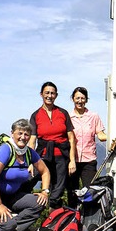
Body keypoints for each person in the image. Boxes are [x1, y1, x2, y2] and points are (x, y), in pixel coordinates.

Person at [29, 82, 77, 210]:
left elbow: (71, 138)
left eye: (52, 93)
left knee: (58, 189)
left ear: (56, 95)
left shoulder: (62, 113)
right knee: (29, 180)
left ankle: (53, 217)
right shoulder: (36, 115)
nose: (50, 96)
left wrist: (72, 160)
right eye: (47, 93)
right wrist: (29, 162)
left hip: (61, 156)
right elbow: (32, 140)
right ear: (41, 95)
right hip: (43, 155)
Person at [67, 87, 108, 207]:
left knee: (90, 191)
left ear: (86, 100)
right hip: (72, 160)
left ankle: (89, 220)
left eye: (82, 98)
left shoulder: (93, 116)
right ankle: (73, 219)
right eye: (77, 98)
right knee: (72, 192)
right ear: (73, 99)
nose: (80, 101)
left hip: (89, 160)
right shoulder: (67, 117)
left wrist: (115, 137)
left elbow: (100, 135)